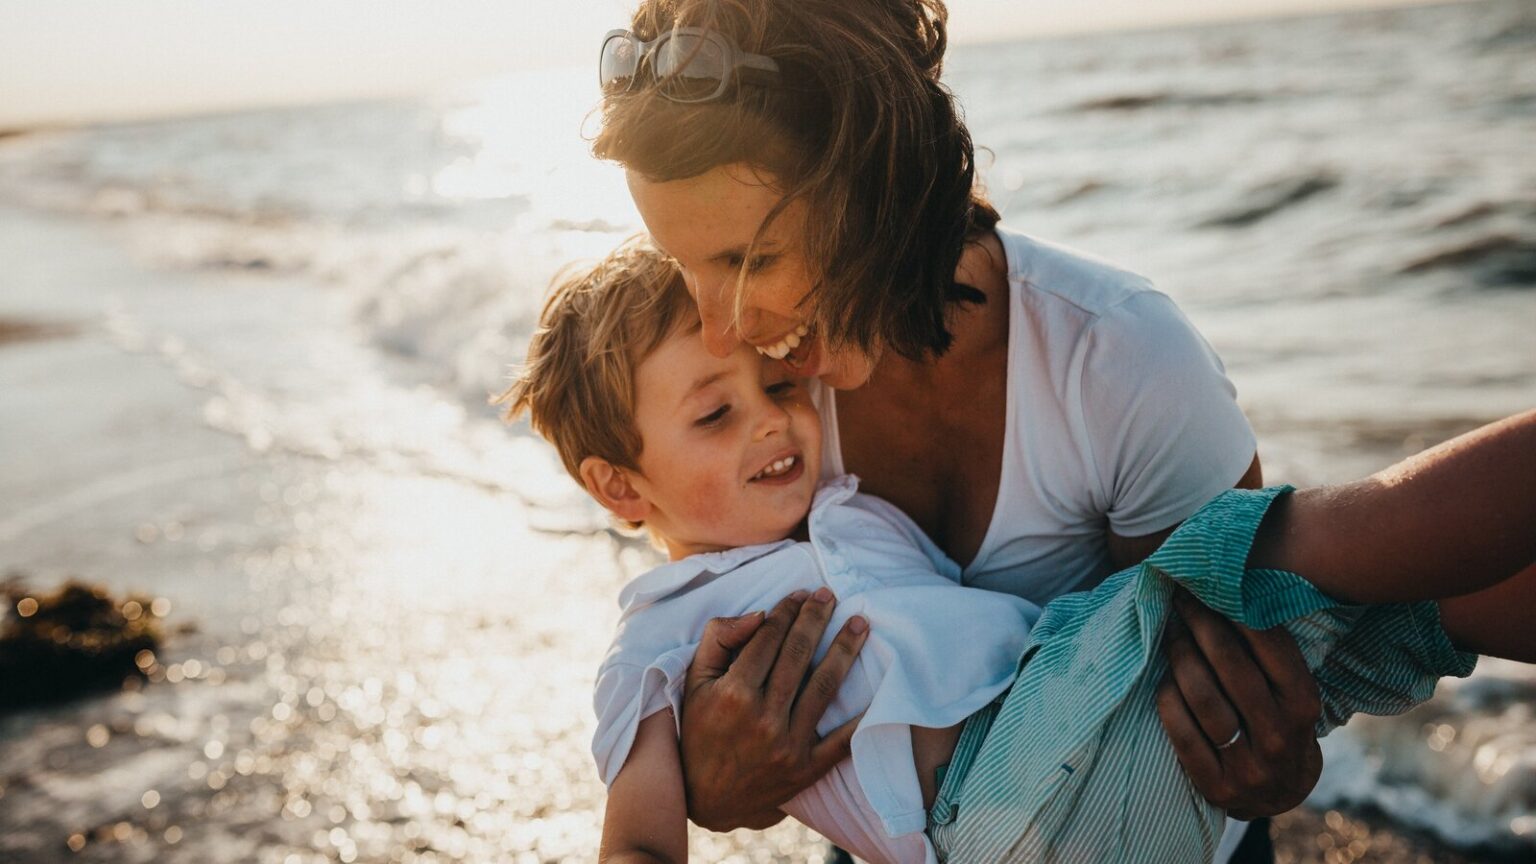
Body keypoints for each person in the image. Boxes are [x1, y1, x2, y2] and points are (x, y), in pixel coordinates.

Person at [497, 242, 1535, 863]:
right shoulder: (660, 636)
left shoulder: (849, 512)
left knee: (1409, 609)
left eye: (776, 388)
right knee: (1284, 551)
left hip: (1108, 770)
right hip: (997, 807)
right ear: (620, 487)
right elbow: (637, 836)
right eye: (716, 414)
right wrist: (706, 789)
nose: (774, 424)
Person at [590, 2, 1314, 856]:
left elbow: (1241, 693)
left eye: (752, 261)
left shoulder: (1119, 361)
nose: (721, 328)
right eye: (682, 262)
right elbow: (715, 630)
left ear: (878, 189)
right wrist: (711, 782)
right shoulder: (759, 406)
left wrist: (1274, 760)